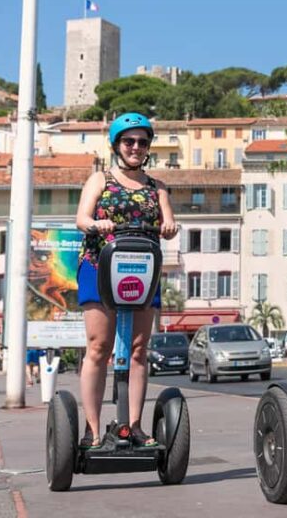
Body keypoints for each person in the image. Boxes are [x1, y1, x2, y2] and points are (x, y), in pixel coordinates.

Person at [75, 112, 178, 449]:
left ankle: (133, 425)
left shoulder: (157, 187)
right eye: (129, 141)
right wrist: (96, 224)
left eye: (142, 142)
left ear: (148, 148)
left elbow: (169, 223)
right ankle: (92, 429)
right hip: (99, 266)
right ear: (117, 145)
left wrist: (169, 227)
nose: (135, 147)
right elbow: (81, 218)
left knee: (137, 350)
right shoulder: (100, 180)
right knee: (98, 346)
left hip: (142, 271)